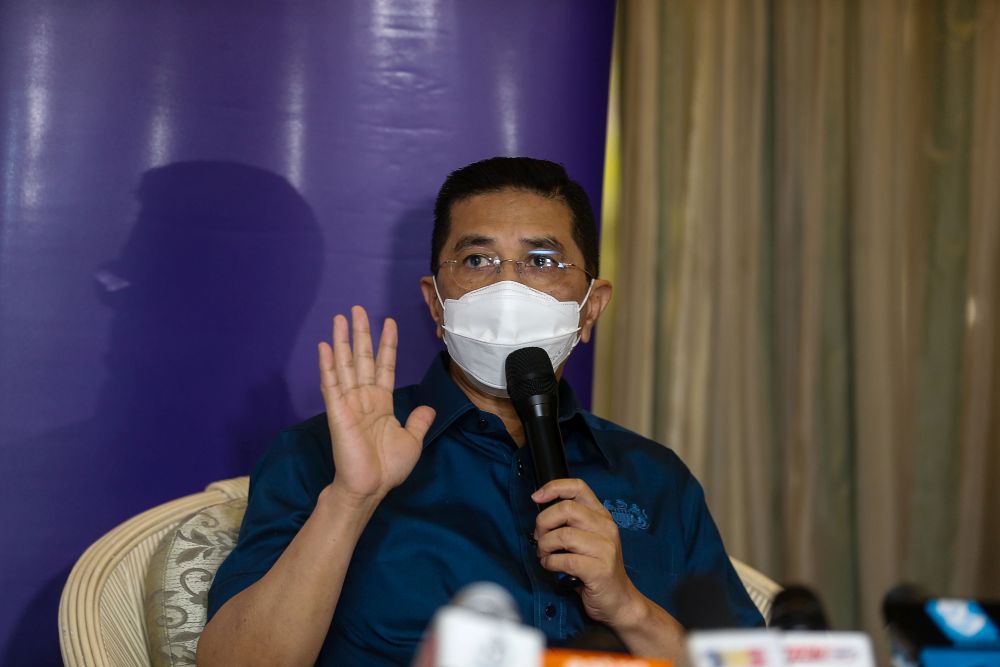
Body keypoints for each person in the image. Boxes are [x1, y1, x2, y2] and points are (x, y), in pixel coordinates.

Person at [198, 157, 762, 667]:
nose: (508, 285)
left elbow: (745, 662)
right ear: (436, 303)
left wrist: (628, 607)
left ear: (591, 307)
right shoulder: (322, 455)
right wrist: (350, 501)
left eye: (542, 260)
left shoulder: (656, 478)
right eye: (477, 258)